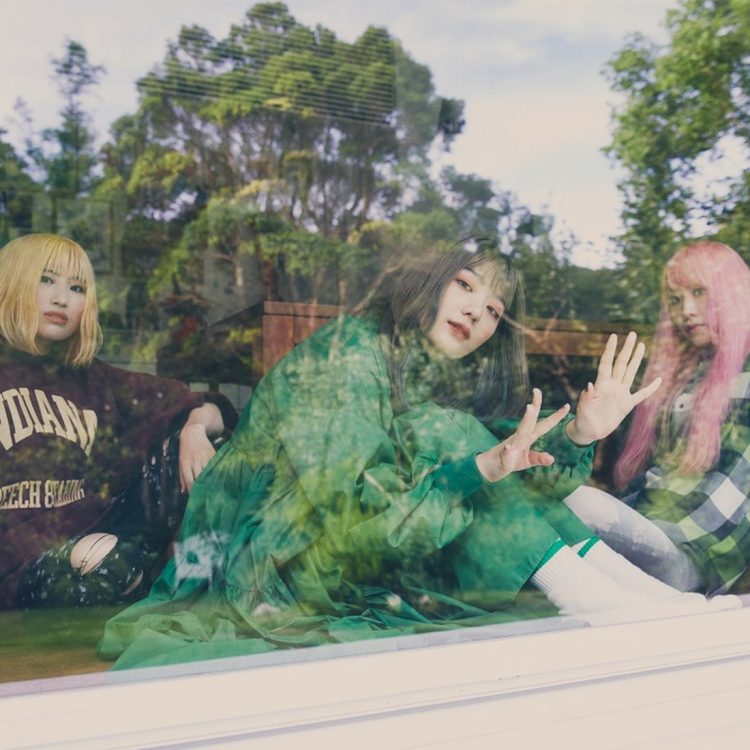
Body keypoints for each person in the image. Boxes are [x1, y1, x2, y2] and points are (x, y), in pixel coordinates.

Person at [99, 240, 733, 670]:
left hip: (356, 541)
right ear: (429, 280)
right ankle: (609, 602)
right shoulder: (351, 354)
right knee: (456, 447)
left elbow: (501, 463)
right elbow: (349, 517)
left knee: (468, 450)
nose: (476, 312)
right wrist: (474, 470)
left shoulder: (423, 371)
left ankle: (633, 599)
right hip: (277, 559)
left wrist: (578, 436)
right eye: (464, 285)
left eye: (493, 310)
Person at [0, 233, 237, 610]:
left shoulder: (97, 380)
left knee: (204, 445)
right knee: (90, 569)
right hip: (20, 568)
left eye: (76, 288)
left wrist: (193, 428)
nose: (61, 298)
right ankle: (132, 584)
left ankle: (149, 582)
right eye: (46, 280)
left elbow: (208, 406)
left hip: (100, 542)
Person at [565, 240, 750, 595]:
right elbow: (656, 480)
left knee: (576, 507)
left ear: (732, 292)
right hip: (656, 536)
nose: (687, 311)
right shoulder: (688, 375)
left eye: (699, 292)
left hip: (693, 556)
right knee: (548, 510)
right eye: (676, 299)